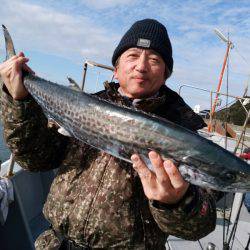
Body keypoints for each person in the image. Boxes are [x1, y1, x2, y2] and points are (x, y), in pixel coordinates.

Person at [0, 19, 217, 249]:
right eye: (132, 56)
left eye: (154, 59)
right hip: (56, 243)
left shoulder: (185, 134)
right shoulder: (82, 107)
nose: (141, 66)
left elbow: (201, 225)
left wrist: (178, 202)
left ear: (165, 74)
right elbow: (33, 158)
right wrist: (19, 100)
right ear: (116, 69)